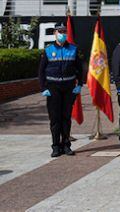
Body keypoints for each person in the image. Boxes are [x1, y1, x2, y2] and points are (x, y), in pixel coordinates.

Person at [38, 23, 84, 157]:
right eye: (60, 31)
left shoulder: (73, 49)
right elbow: (41, 72)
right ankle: (55, 147)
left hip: (69, 88)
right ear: (55, 33)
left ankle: (66, 145)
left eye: (64, 31)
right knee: (55, 119)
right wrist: (43, 88)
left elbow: (80, 69)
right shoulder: (48, 50)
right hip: (53, 89)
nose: (63, 34)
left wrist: (79, 84)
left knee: (66, 118)